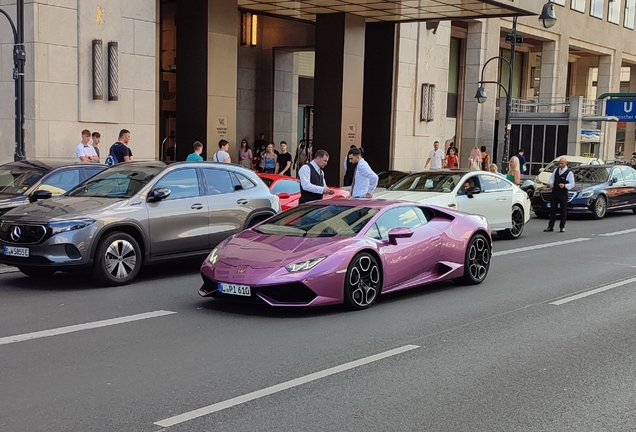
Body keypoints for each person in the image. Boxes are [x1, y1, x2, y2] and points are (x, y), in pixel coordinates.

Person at [544, 157, 575, 233]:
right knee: (553, 210)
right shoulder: (556, 170)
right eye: (559, 163)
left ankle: (562, 226)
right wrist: (551, 183)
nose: (560, 165)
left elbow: (572, 184)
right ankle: (550, 226)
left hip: (563, 193)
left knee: (563, 210)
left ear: (566, 163)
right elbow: (551, 178)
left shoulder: (569, 173)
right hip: (555, 192)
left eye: (562, 163)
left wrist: (565, 185)